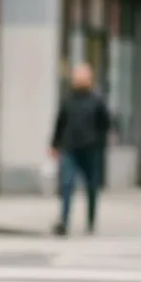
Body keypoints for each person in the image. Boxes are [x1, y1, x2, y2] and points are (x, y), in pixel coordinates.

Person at [50, 62, 112, 236]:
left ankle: (91, 220)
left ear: (89, 80)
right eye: (76, 77)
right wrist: (54, 144)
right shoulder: (68, 100)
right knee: (66, 183)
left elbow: (105, 123)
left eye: (82, 77)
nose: (78, 80)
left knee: (92, 186)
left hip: (91, 149)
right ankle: (64, 219)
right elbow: (60, 123)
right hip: (70, 147)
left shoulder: (96, 100)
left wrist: (99, 142)